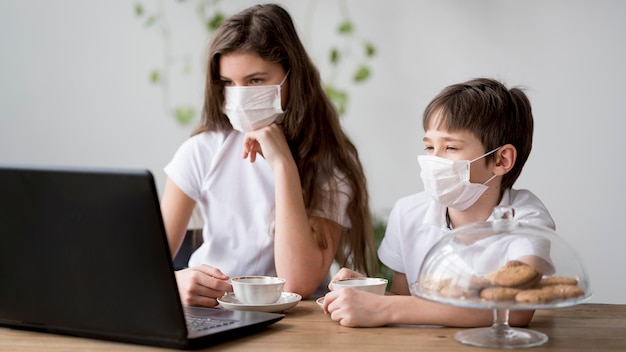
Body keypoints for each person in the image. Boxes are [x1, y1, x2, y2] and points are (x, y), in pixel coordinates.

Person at [160, 3, 377, 308]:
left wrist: (283, 165)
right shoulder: (202, 150)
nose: (240, 95)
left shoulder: (328, 165)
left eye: (255, 80)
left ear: (292, 76)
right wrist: (175, 280)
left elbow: (298, 283)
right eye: (228, 83)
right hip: (210, 308)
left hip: (291, 321)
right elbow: (146, 265)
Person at [322, 78, 555, 327]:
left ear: (501, 160)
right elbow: (408, 303)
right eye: (430, 147)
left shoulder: (527, 218)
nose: (434, 160)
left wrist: (384, 307)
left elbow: (516, 308)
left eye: (451, 148)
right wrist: (367, 293)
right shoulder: (408, 213)